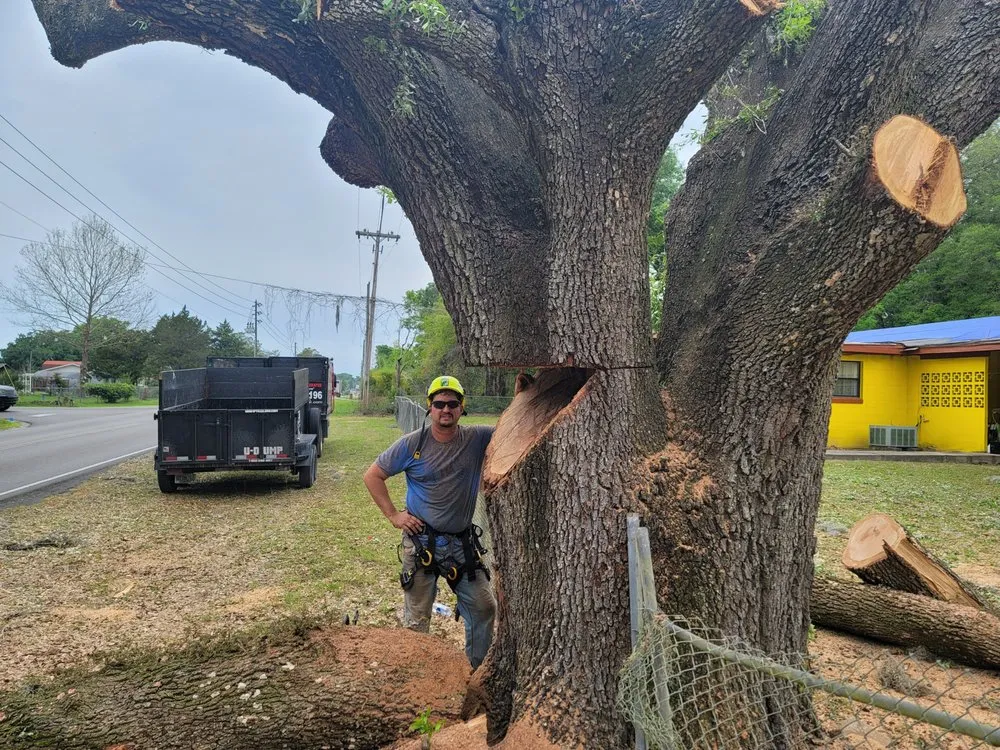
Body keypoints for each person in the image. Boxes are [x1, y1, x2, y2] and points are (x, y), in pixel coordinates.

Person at [363, 375, 496, 669]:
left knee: (484, 607)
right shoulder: (413, 444)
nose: (445, 409)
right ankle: (416, 679)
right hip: (421, 543)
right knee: (417, 618)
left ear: (462, 407)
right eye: (439, 403)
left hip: (461, 544)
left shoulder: (477, 439)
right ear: (429, 407)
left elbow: (513, 428)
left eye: (452, 403)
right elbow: (373, 475)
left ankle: (477, 674)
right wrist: (394, 515)